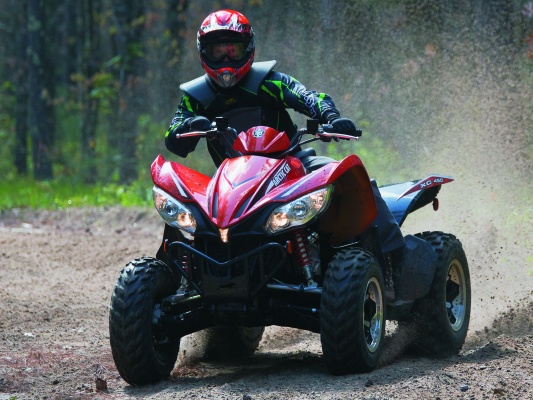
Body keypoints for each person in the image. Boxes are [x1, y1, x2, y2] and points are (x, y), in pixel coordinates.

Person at [164, 9, 405, 301]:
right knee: (185, 207)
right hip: (233, 180)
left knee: (351, 178)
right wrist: (188, 126)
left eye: (233, 50)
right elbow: (174, 136)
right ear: (205, 53)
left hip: (294, 165)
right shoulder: (195, 97)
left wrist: (330, 116)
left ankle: (392, 264)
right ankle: (171, 281)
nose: (226, 59)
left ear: (248, 49)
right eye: (218, 52)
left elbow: (307, 96)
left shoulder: (268, 81)